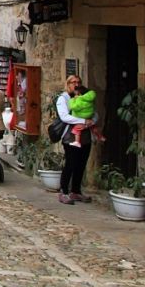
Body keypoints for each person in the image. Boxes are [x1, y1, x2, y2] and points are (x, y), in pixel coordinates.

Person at [54, 75, 94, 203]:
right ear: (68, 84)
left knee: (81, 164)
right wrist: (83, 120)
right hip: (70, 135)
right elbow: (64, 116)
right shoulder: (63, 99)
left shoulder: (85, 95)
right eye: (73, 82)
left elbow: (93, 112)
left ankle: (76, 191)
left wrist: (91, 121)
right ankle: (63, 191)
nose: (76, 84)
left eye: (78, 82)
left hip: (85, 135)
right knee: (70, 163)